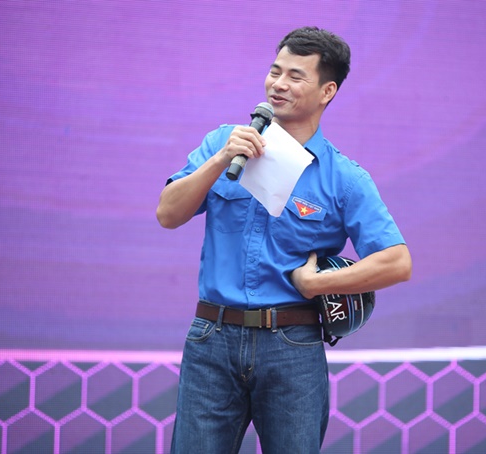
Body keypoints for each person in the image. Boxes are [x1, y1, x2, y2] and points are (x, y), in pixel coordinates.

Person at [157, 26, 412, 454]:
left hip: (292, 346)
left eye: (295, 76)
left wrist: (317, 283)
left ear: (327, 91)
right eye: (275, 71)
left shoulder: (343, 177)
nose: (278, 84)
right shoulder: (224, 142)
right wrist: (221, 159)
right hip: (212, 339)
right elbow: (168, 214)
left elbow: (397, 262)